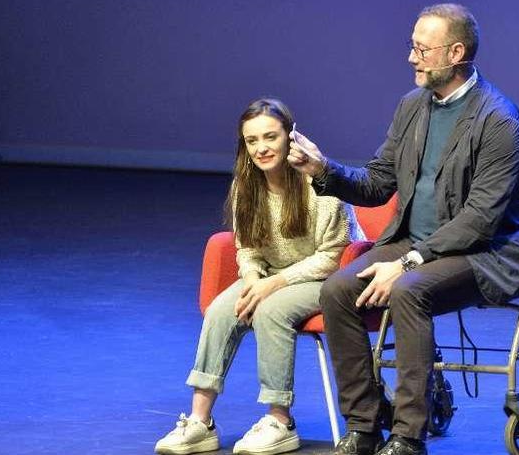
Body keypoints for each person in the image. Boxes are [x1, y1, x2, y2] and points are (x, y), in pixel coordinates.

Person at [287, 4, 519, 455]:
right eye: (412, 46)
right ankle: (365, 422)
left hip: (485, 254)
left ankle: (407, 434)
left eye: (422, 48)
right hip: (414, 245)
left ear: (456, 52)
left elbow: (481, 219)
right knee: (338, 289)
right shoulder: (412, 107)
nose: (411, 58)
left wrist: (406, 263)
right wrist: (323, 169)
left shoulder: (499, 121)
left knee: (408, 290)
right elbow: (379, 181)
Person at [155, 98, 363, 455]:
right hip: (272, 275)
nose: (262, 148)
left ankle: (280, 420)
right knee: (224, 308)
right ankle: (200, 422)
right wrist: (252, 279)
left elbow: (333, 257)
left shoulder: (321, 185)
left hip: (332, 279)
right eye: (252, 141)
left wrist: (274, 284)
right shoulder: (246, 187)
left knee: (272, 309)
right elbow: (246, 248)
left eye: (270, 137)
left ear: (290, 136)